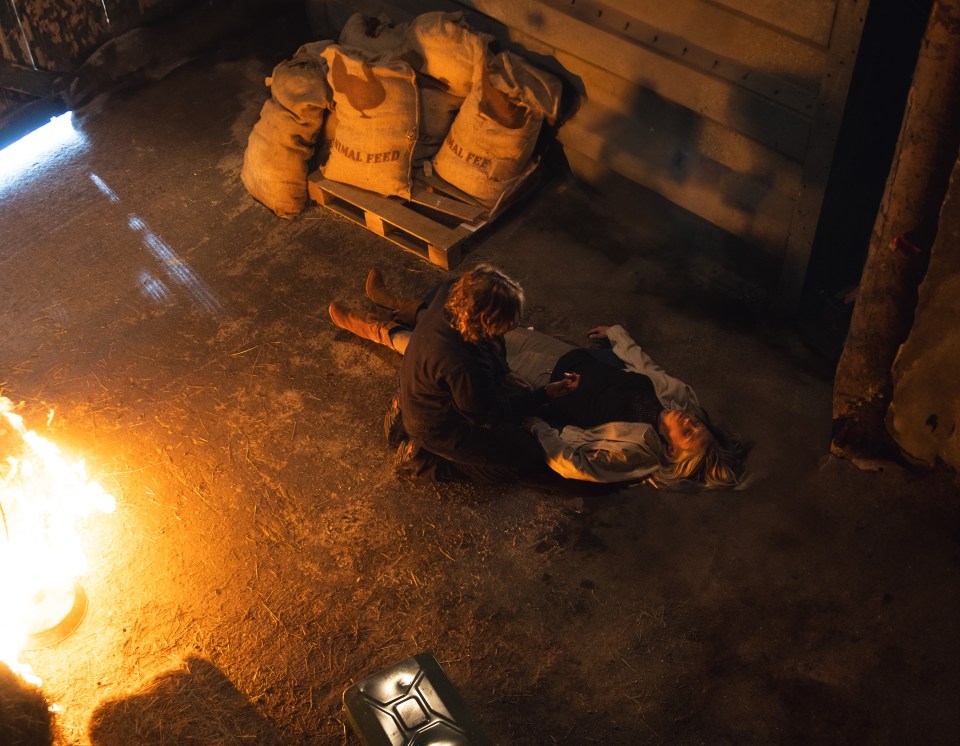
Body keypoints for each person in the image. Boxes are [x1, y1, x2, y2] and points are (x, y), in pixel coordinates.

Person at [330, 268, 748, 489]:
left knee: (452, 351)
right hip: (564, 354)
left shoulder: (641, 450)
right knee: (472, 322)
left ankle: (373, 328)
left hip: (547, 383)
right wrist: (618, 337)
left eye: (691, 436)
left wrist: (537, 423)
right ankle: (396, 305)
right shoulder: (679, 398)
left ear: (677, 452)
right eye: (701, 426)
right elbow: (649, 369)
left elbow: (576, 463)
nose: (693, 423)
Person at [329, 265, 579, 483]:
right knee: (526, 457)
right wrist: (541, 395)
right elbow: (486, 415)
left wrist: (502, 372)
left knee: (511, 396)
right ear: (482, 325)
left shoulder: (452, 292)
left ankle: (403, 405)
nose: (508, 330)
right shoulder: (463, 363)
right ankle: (424, 460)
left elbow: (491, 348)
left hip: (423, 388)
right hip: (436, 426)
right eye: (503, 326)